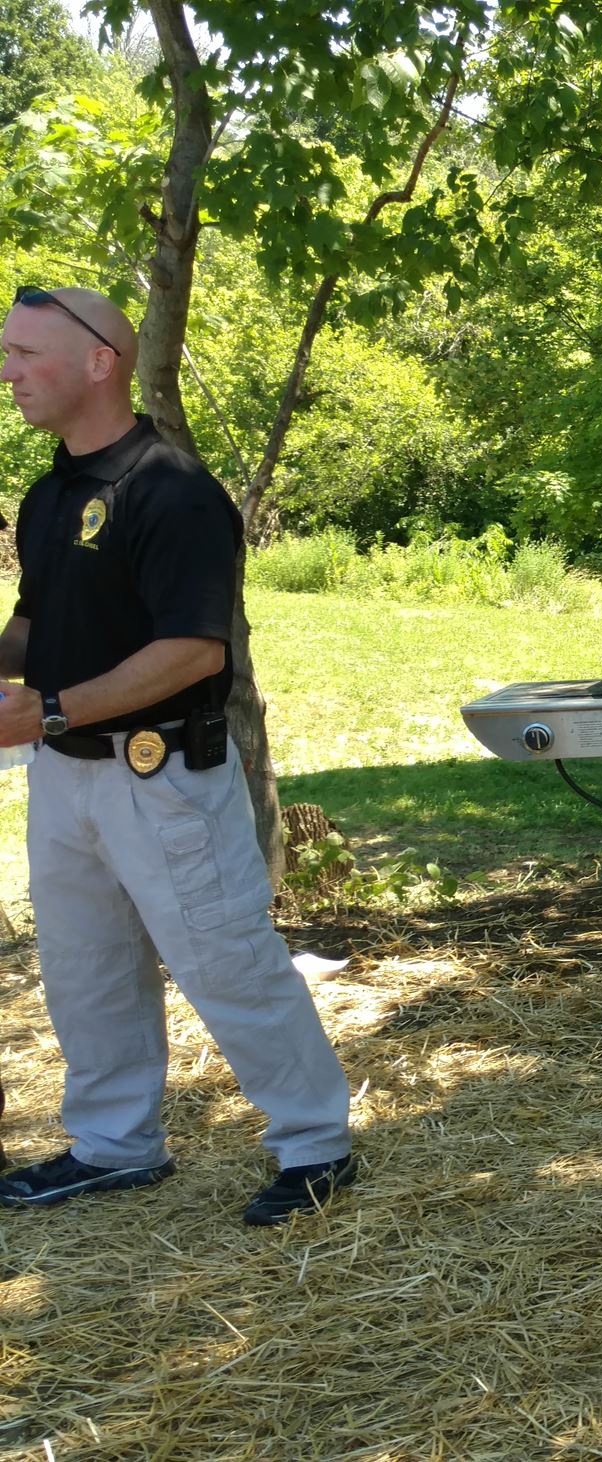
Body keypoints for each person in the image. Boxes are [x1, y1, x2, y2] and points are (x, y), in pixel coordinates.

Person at [0, 286, 355, 1225]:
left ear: (100, 361)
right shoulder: (52, 492)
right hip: (63, 774)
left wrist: (50, 709)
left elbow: (195, 649)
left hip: (163, 779)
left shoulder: (172, 490)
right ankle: (115, 1146)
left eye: (27, 354)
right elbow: (36, 623)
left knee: (228, 959)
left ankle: (316, 1143)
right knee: (85, 967)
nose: (9, 373)